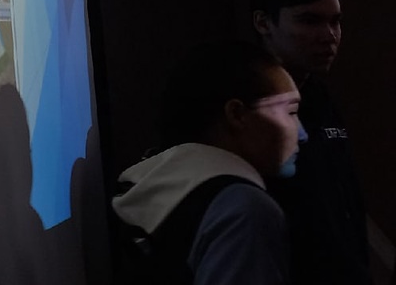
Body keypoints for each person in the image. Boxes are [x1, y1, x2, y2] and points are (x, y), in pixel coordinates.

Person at [112, 40, 306, 285]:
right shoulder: (246, 210)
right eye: (291, 112)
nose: (302, 134)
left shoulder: (158, 188)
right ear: (237, 114)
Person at [251, 0, 370, 285]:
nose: (329, 35)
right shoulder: (247, 107)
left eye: (335, 21)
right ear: (263, 23)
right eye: (309, 20)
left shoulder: (318, 95)